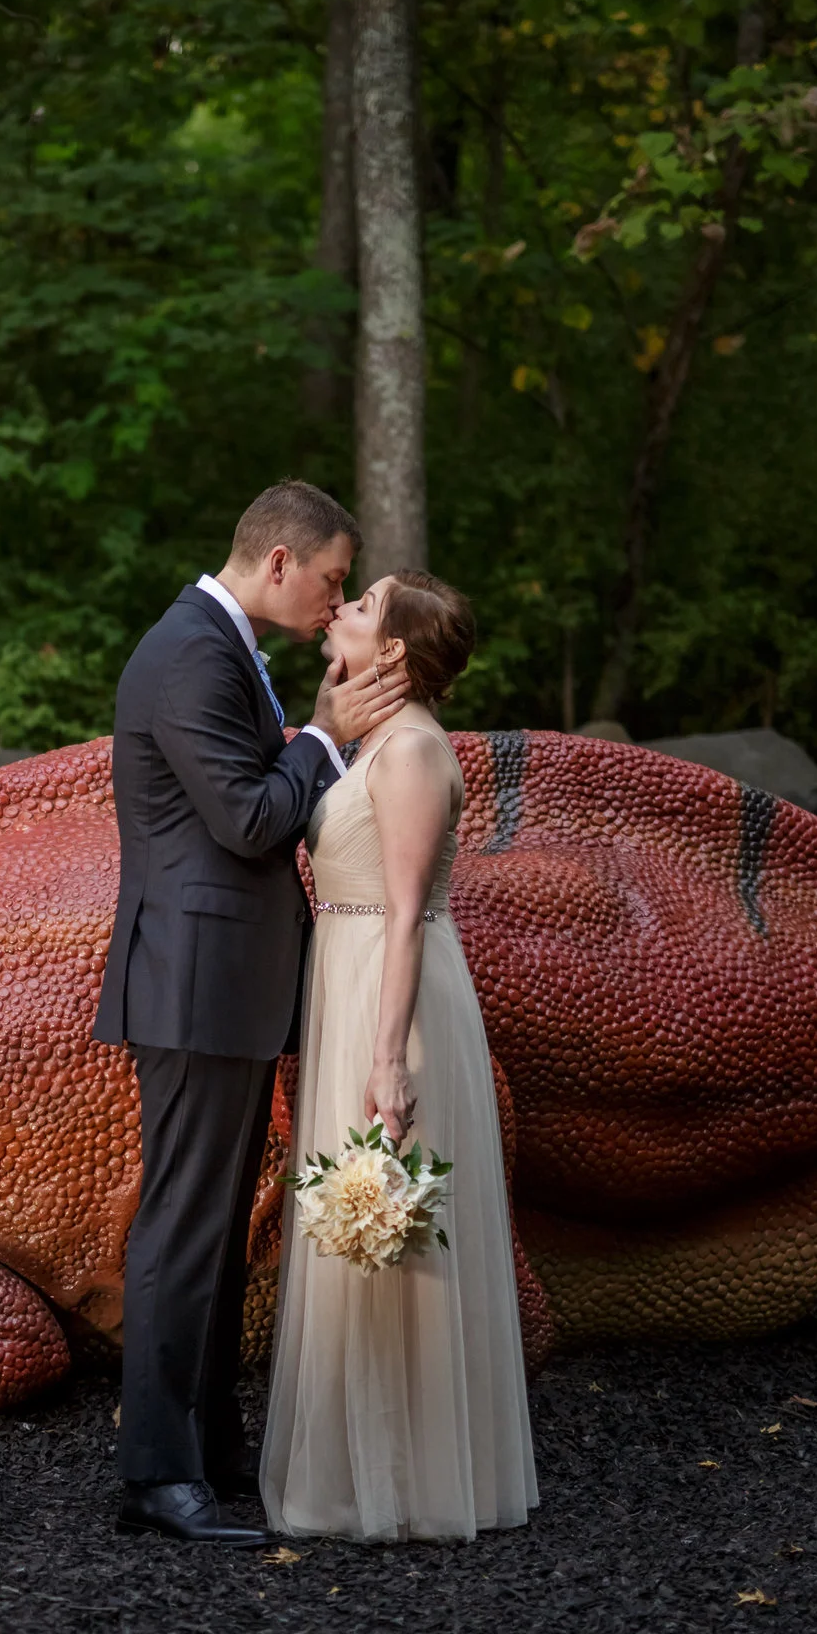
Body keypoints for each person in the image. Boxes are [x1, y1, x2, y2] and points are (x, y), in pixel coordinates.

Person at [94, 479, 408, 1546]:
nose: (333, 602)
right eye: (330, 578)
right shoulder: (191, 652)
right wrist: (321, 734)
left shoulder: (221, 645)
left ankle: (207, 1447)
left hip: (220, 981)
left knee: (216, 1231)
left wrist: (311, 735)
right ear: (279, 561)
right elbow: (248, 819)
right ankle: (155, 1476)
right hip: (193, 982)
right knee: (182, 1229)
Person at [260, 570, 540, 1543]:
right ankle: (360, 1469)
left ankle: (410, 1480)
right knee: (359, 1231)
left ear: (393, 651)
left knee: (391, 1221)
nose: (339, 606)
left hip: (392, 992)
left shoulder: (414, 749)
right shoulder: (367, 740)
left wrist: (387, 1058)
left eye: (362, 604)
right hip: (348, 975)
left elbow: (411, 910)